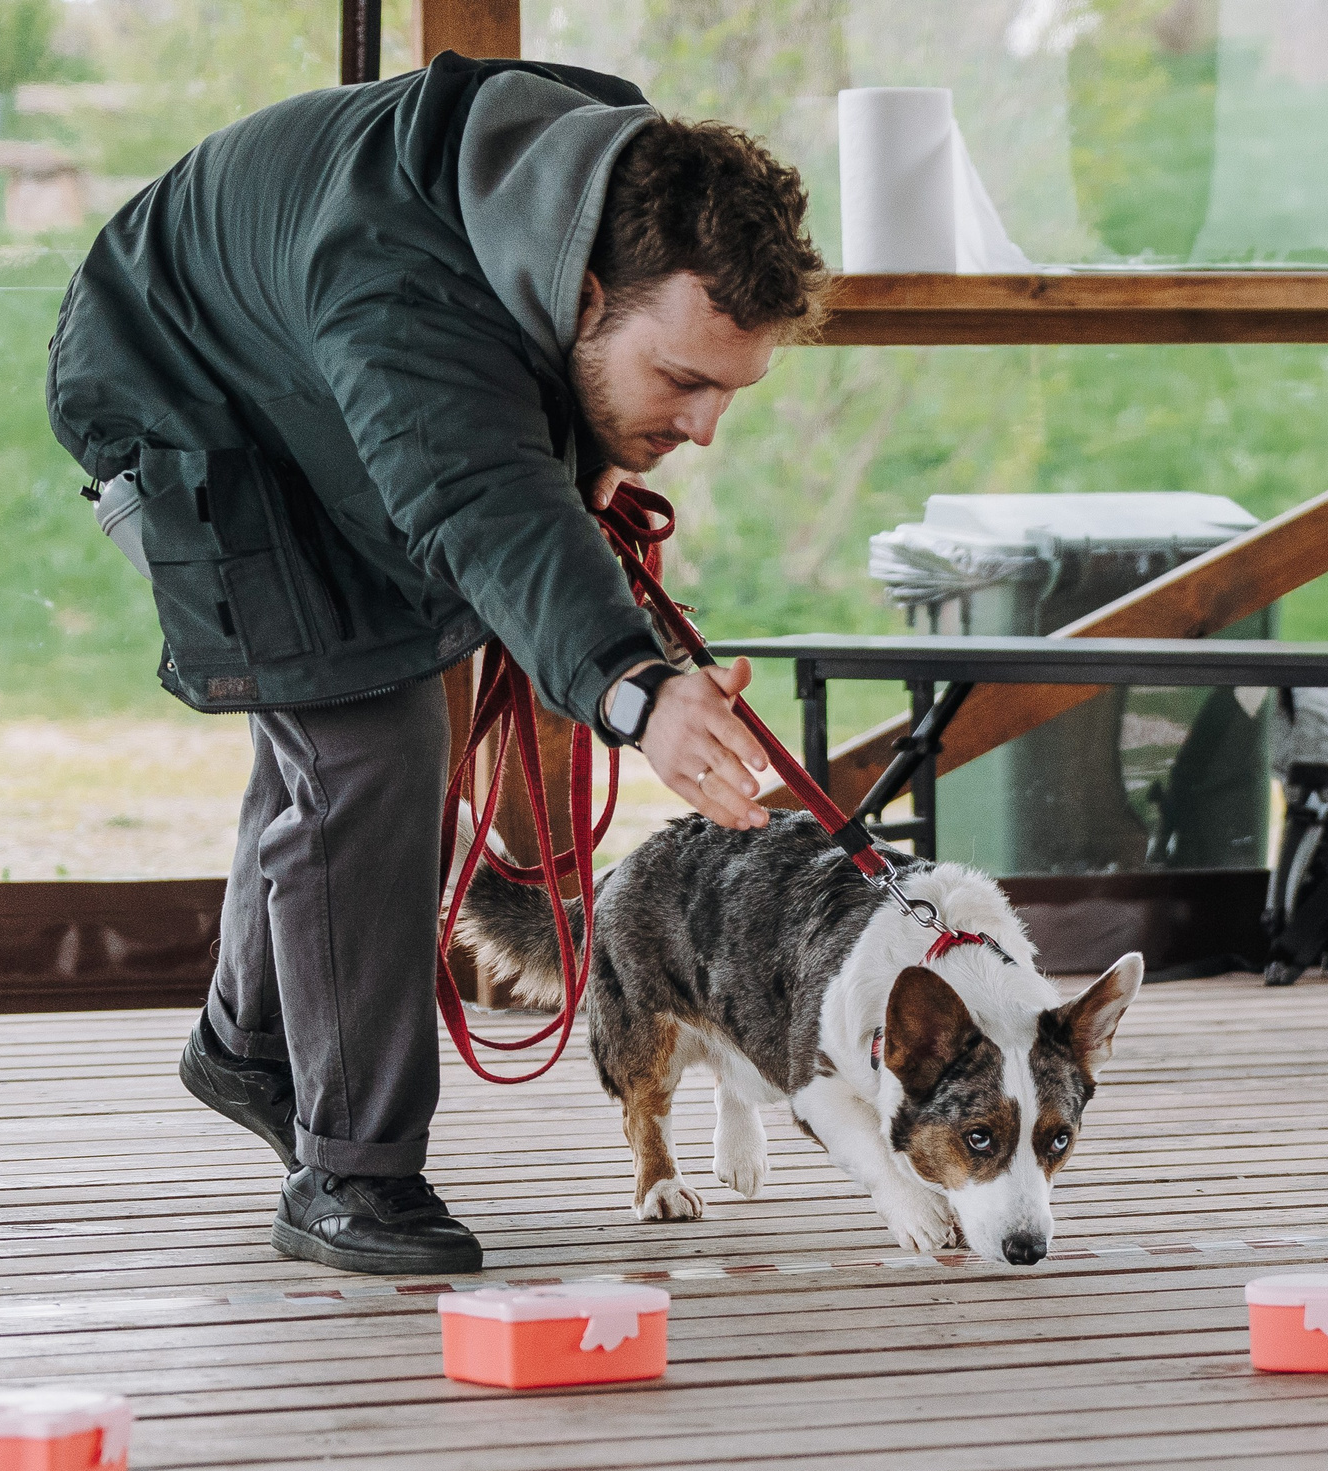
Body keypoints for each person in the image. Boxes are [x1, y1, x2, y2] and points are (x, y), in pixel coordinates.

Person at [46, 52, 826, 1273]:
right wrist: (634, 688)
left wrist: (597, 447)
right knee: (369, 750)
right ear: (582, 295)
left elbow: (509, 442)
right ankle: (349, 1175)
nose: (703, 427)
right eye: (680, 381)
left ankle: (251, 1045)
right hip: (185, 391)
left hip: (307, 367)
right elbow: (477, 490)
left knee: (340, 729)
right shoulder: (400, 296)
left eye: (728, 391)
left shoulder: (611, 173)